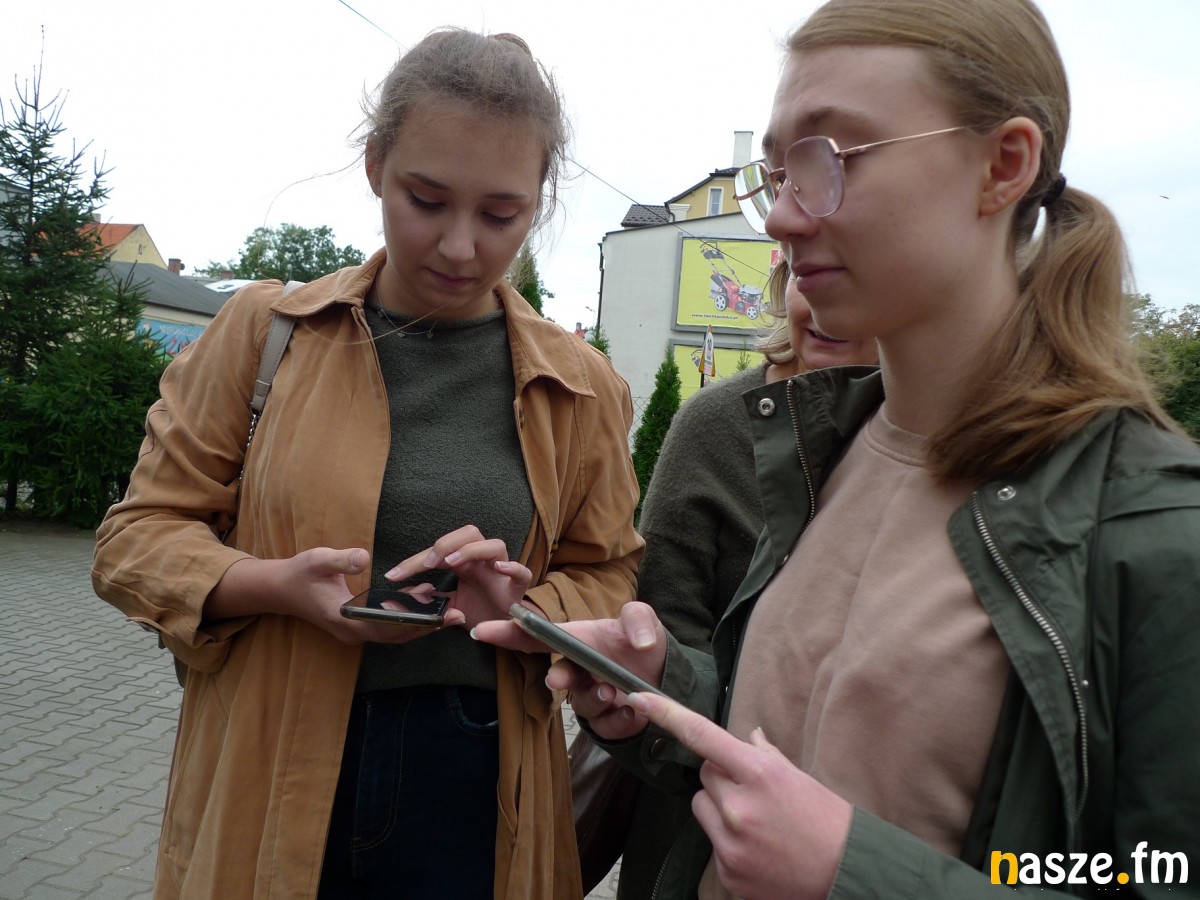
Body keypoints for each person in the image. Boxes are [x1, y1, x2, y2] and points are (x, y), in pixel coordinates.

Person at [475, 1, 1200, 898]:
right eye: (777, 173)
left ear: (1003, 165)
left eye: (830, 159)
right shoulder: (818, 449)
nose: (780, 218)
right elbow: (800, 745)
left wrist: (850, 874)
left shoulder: (1155, 528)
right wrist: (665, 690)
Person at [92, 28, 643, 900]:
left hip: (480, 782)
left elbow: (611, 571)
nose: (459, 246)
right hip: (269, 758)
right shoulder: (266, 334)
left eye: (501, 215)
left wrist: (525, 610)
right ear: (375, 164)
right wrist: (271, 585)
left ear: (538, 202)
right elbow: (135, 539)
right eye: (426, 199)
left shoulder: (583, 385)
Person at [615, 262, 878, 897]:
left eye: (860, 278)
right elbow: (667, 625)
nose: (822, 306)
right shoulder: (715, 423)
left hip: (871, 829)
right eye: (806, 278)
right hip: (704, 813)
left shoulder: (934, 440)